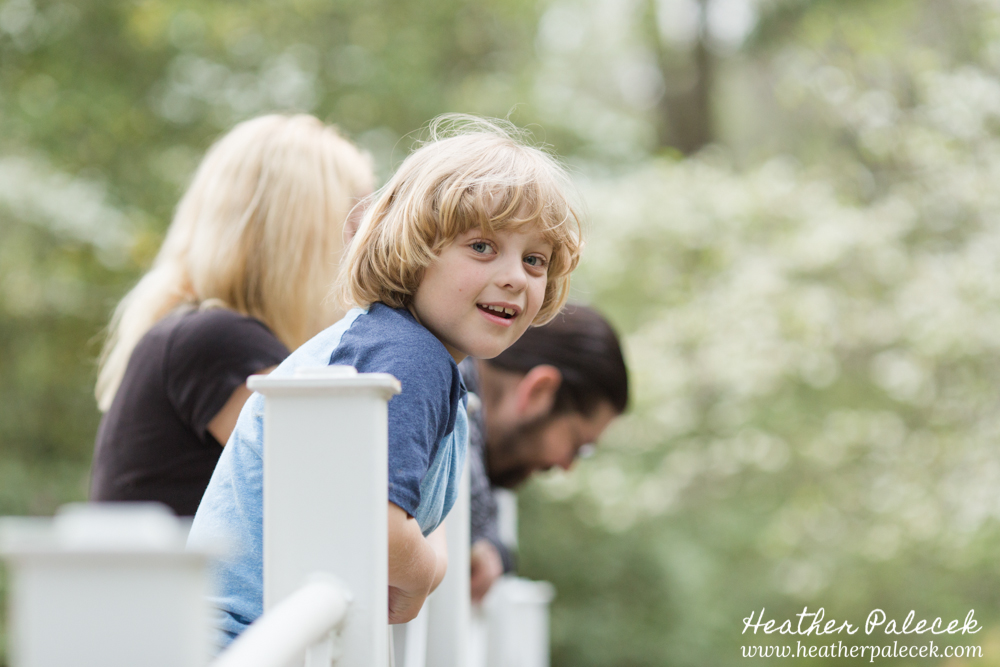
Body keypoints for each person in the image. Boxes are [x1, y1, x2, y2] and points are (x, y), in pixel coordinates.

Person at [186, 115, 584, 646]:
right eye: (483, 247)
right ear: (414, 249)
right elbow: (368, 515)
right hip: (251, 640)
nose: (515, 276)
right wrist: (427, 572)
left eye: (535, 259)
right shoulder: (404, 358)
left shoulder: (407, 350)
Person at [90, 114, 374, 517]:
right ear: (303, 239)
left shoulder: (191, 333)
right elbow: (339, 501)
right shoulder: (219, 343)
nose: (369, 247)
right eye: (356, 226)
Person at [462, 304, 629, 602]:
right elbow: (478, 529)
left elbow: (493, 538)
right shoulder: (447, 404)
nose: (567, 466)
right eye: (578, 446)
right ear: (539, 390)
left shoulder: (475, 466)